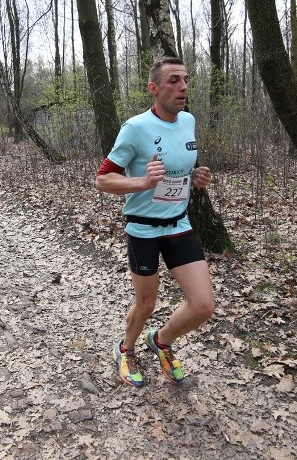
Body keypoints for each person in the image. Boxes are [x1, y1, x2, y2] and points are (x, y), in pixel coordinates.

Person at [95, 56, 215, 387]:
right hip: (143, 229)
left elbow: (176, 168)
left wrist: (194, 176)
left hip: (179, 224)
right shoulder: (135, 128)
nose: (183, 87)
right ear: (154, 88)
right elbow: (103, 180)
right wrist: (141, 183)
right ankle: (126, 348)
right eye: (174, 80)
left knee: (203, 305)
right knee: (146, 302)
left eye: (186, 80)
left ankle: (160, 340)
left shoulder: (188, 120)